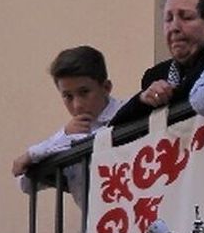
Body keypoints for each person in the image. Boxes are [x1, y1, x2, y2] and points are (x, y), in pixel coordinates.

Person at [110, 0, 204, 125]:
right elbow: (115, 128)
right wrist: (143, 99)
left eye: (187, 17)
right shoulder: (155, 75)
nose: (174, 27)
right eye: (168, 19)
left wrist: (167, 95)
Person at [11, 45, 123, 186]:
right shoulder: (67, 135)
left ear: (106, 88)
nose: (77, 105)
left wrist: (33, 154)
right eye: (68, 96)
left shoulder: (130, 112)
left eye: (84, 92)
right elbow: (25, 183)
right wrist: (65, 136)